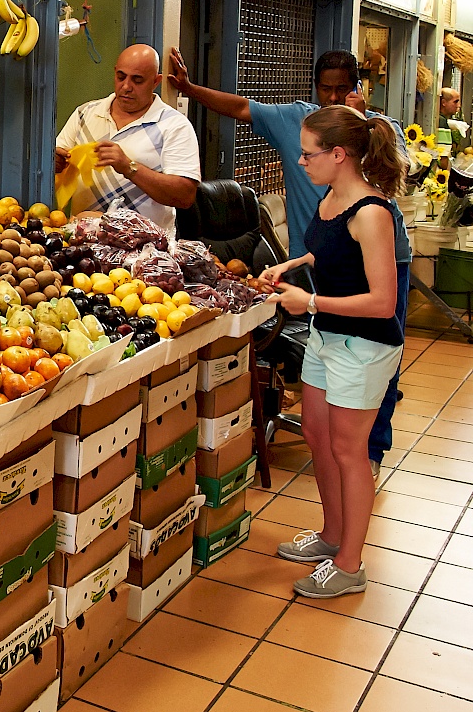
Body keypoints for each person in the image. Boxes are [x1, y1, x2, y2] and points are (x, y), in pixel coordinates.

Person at [168, 48, 409, 476]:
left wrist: (359, 120)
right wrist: (187, 89)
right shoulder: (300, 125)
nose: (333, 96)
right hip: (320, 264)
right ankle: (340, 458)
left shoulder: (373, 132)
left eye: (343, 88)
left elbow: (380, 302)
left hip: (376, 262)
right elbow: (241, 106)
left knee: (373, 362)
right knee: (332, 374)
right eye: (325, 87)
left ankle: (369, 451)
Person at [260, 106, 405, 598]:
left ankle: (349, 564)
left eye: (308, 154)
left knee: (349, 451)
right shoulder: (330, 199)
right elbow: (333, 253)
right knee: (320, 439)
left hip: (362, 347)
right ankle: (330, 535)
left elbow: (383, 302)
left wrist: (311, 301)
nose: (301, 162)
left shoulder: (372, 213)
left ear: (339, 155)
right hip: (327, 336)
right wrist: (295, 264)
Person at [53, 44, 201, 236]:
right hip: (84, 244)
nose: (126, 87)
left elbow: (185, 196)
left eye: (137, 80)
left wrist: (129, 167)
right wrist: (54, 163)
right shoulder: (85, 113)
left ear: (155, 81)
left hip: (145, 251)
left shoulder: (174, 126)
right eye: (121, 77)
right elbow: (55, 159)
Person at [439, 87, 465, 152]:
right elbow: (443, 154)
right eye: (455, 102)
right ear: (443, 102)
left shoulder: (442, 119)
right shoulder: (441, 121)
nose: (458, 105)